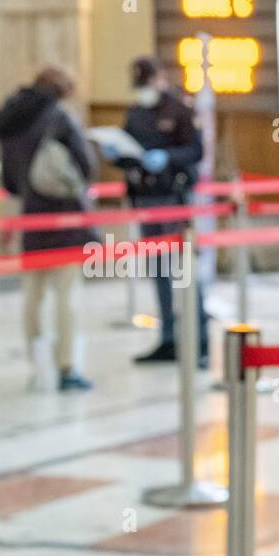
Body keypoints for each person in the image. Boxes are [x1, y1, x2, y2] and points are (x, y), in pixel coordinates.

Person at [0, 66, 95, 391]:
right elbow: (86, 165)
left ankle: (37, 362)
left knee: (32, 296)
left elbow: (8, 181)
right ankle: (67, 366)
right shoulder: (59, 117)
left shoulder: (10, 120)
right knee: (66, 296)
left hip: (30, 218)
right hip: (64, 217)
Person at [109, 56, 206, 365]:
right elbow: (130, 149)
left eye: (147, 83)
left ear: (160, 79)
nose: (144, 91)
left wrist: (167, 156)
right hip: (146, 199)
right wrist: (117, 155)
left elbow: (195, 151)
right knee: (158, 270)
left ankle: (199, 339)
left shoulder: (180, 110)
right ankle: (168, 337)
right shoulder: (136, 113)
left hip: (174, 198)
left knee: (185, 270)